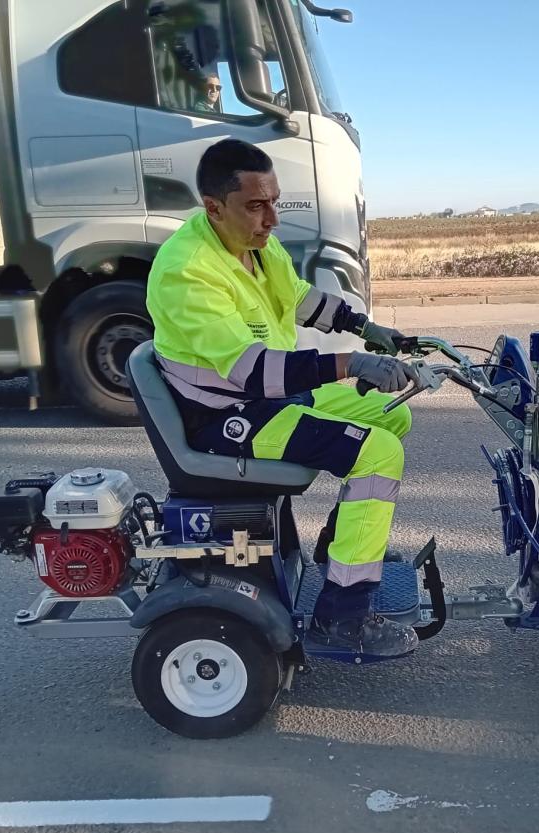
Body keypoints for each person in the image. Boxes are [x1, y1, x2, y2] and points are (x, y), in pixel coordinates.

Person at [146, 139, 419, 658]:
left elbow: (297, 298)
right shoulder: (188, 271)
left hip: (272, 399)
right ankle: (343, 616)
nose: (271, 217)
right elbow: (251, 372)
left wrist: (365, 327)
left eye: (274, 200)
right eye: (256, 205)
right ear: (213, 207)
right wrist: (351, 363)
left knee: (393, 415)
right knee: (379, 452)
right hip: (226, 417)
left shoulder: (253, 243)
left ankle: (340, 554)